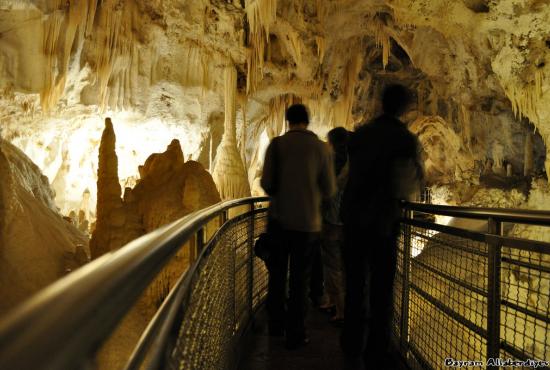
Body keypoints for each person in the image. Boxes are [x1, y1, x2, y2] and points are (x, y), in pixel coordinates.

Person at [340, 84, 424, 365]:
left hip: (353, 219)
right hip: (382, 223)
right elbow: (406, 183)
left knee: (354, 285)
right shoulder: (404, 139)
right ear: (402, 108)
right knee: (381, 289)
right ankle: (376, 351)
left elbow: (349, 176)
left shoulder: (361, 135)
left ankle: (351, 345)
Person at [261, 103, 336, 349]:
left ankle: (275, 326)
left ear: (288, 121)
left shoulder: (277, 146)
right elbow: (329, 189)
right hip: (308, 224)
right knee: (300, 281)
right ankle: (296, 333)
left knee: (277, 275)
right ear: (307, 121)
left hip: (280, 221)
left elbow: (268, 183)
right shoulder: (321, 148)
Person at [321, 127, 350, 324]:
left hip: (331, 220)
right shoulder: (352, 162)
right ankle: (334, 301)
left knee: (333, 266)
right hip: (348, 222)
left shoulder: (329, 162)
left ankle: (339, 308)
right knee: (343, 265)